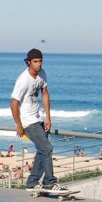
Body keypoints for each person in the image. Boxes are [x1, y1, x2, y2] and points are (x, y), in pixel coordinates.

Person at [10, 48, 66, 193]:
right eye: (35, 61)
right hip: (27, 121)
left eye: (40, 61)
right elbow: (14, 103)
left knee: (42, 150)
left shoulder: (42, 74)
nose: (39, 64)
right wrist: (19, 125)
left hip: (37, 118)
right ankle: (49, 182)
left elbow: (45, 94)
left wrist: (48, 117)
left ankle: (32, 182)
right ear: (29, 62)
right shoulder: (23, 80)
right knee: (47, 148)